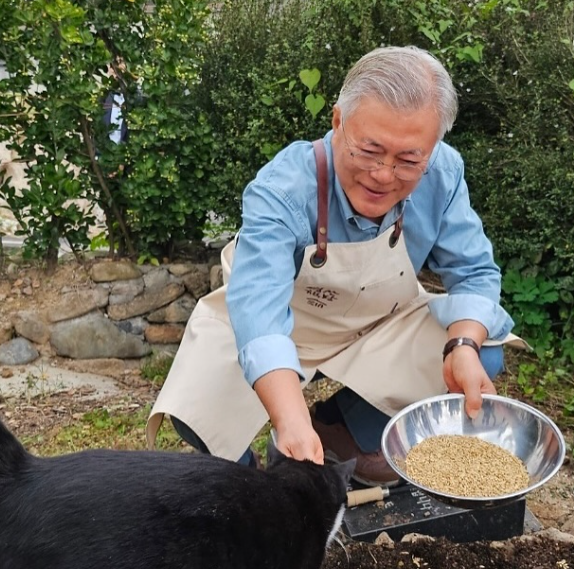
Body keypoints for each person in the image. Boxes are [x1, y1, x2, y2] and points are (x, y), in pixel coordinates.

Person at [146, 46, 522, 485]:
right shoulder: (283, 188)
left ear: (433, 148)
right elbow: (260, 318)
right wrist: (289, 419)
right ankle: (251, 482)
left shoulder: (443, 173)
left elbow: (475, 273)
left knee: (484, 350)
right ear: (339, 122)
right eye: (370, 150)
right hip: (277, 320)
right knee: (196, 412)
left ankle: (338, 432)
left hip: (377, 325)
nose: (383, 175)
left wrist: (463, 348)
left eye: (408, 160)